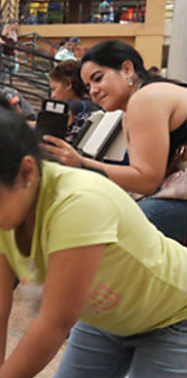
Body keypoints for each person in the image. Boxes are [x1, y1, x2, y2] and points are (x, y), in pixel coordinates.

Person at [0, 100, 187, 378]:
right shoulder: (1, 213)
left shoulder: (79, 202)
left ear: (27, 172)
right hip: (103, 317)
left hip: (173, 313)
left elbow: (55, 319)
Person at [41, 40, 187, 244]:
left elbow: (147, 180)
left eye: (98, 79)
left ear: (127, 69)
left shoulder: (145, 98)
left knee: (107, 232)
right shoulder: (135, 107)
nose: (93, 91)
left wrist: (81, 163)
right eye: (88, 86)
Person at [48, 59, 100, 144]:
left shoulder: (71, 108)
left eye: (54, 89)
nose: (52, 95)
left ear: (68, 84)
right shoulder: (93, 105)